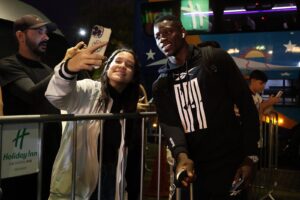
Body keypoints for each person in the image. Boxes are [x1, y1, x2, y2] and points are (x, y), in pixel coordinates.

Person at [152, 14, 260, 199]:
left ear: (182, 32)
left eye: (168, 32)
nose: (162, 38)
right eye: (157, 36)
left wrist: (250, 157)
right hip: (193, 168)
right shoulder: (161, 84)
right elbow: (170, 124)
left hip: (230, 163)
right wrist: (182, 156)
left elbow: (246, 105)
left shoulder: (215, 59)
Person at [45, 45, 141, 200]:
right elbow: (56, 96)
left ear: (134, 75)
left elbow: (132, 159)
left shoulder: (129, 109)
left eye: (129, 65)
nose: (123, 66)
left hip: (111, 180)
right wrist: (68, 69)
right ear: (107, 66)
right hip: (76, 181)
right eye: (118, 61)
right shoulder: (89, 90)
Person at [0, 14, 62, 200]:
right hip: (21, 152)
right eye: (39, 32)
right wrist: (65, 68)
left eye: (47, 32)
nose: (46, 37)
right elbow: (31, 94)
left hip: (50, 149)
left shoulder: (48, 69)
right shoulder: (8, 64)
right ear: (20, 36)